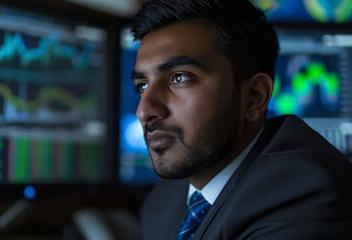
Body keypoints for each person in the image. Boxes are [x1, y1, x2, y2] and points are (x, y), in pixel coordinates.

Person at [130, 0, 352, 239]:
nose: (144, 111)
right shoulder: (165, 197)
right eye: (142, 85)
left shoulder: (302, 192)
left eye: (179, 78)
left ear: (253, 97)